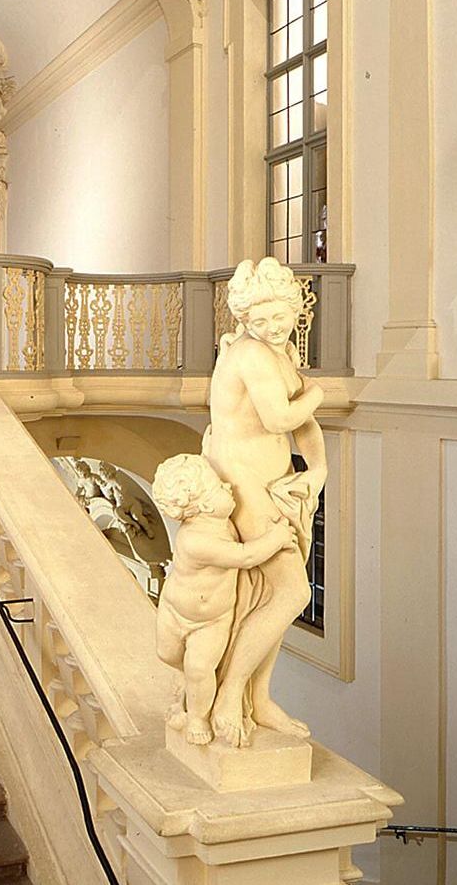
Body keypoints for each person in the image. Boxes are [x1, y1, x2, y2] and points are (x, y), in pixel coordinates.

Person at [203, 258, 326, 746]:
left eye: (281, 318)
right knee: (291, 592)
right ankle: (231, 691)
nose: (274, 328)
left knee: (267, 594)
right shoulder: (252, 354)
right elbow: (281, 417)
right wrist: (317, 391)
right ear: (244, 321)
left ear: (294, 310)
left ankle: (259, 695)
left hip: (276, 479)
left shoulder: (278, 352)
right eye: (261, 322)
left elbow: (302, 426)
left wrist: (318, 470)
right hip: (244, 481)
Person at [152, 453, 298, 746]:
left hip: (212, 621)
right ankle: (187, 688)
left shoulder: (224, 526)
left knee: (200, 668)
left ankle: (197, 716)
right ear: (204, 505)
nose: (229, 488)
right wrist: (278, 537)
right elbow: (246, 556)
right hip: (174, 612)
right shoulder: (195, 540)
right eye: (220, 488)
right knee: (167, 654)